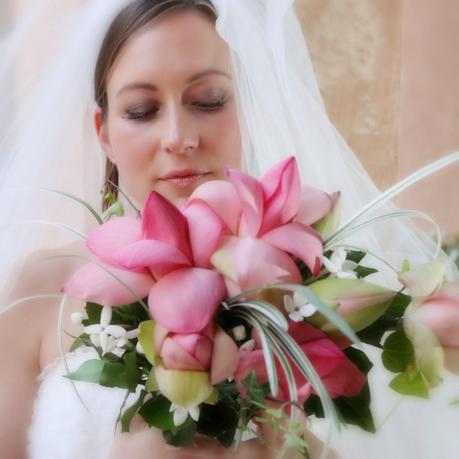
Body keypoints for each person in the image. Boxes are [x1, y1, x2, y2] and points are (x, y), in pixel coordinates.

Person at [0, 1, 457, 458]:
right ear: (104, 133)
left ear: (247, 110)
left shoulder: (301, 297)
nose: (179, 137)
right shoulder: (43, 290)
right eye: (142, 110)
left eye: (209, 101)